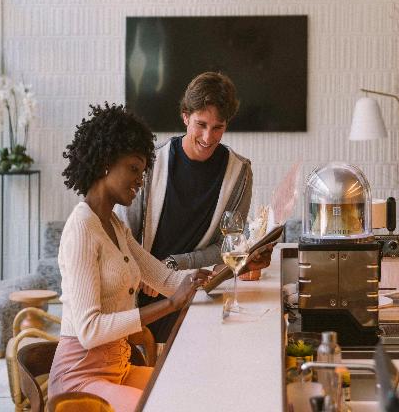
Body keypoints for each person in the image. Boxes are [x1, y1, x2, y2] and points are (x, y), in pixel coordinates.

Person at [48, 103, 211, 412]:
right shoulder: (82, 228)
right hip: (80, 382)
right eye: (134, 169)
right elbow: (89, 330)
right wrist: (170, 305)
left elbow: (166, 279)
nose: (140, 180)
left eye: (142, 172)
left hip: (117, 370)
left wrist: (228, 273)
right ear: (106, 163)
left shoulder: (114, 225)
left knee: (188, 393)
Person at [116, 71, 271, 342]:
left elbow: (227, 246)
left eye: (218, 127)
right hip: (142, 296)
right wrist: (150, 274)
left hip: (199, 296)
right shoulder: (150, 164)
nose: (208, 137)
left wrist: (174, 265)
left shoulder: (239, 173)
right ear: (185, 116)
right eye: (201, 124)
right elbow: (122, 234)